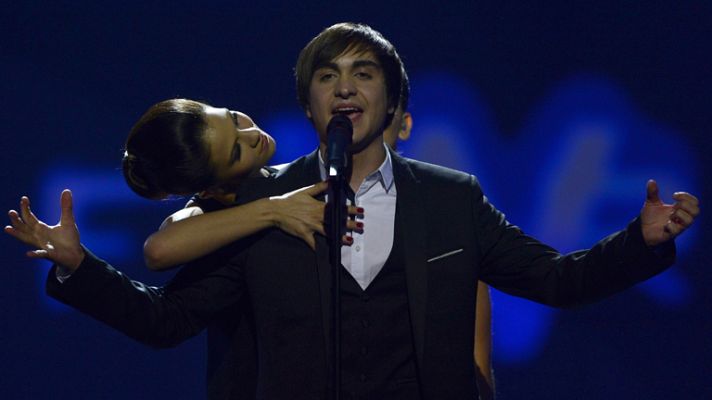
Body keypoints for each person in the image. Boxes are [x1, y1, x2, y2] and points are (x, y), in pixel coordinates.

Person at [5, 23, 699, 400]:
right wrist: (78, 268)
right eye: (327, 76)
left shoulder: (452, 199)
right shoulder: (260, 207)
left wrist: (640, 242)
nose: (344, 87)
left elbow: (559, 281)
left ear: (393, 106)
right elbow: (167, 320)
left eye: (363, 74)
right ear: (307, 106)